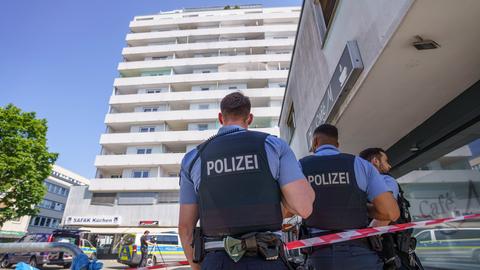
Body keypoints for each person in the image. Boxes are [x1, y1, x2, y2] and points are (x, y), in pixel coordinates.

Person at [178, 92, 315, 270]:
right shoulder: (274, 146)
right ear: (249, 118)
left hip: (216, 260)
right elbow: (304, 208)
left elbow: (185, 228)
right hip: (268, 259)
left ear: (221, 117)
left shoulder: (194, 157)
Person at [299, 124, 400, 270]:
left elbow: (289, 209)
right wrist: (359, 208)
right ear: (337, 144)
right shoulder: (361, 165)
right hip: (360, 254)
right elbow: (391, 212)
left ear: (315, 142)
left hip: (320, 256)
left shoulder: (301, 166)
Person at [359, 148, 424, 270]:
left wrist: (364, 239)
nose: (389, 165)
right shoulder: (383, 180)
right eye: (386, 160)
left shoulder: (372, 182)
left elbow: (384, 215)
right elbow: (387, 213)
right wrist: (368, 237)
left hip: (388, 253)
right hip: (392, 254)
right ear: (375, 161)